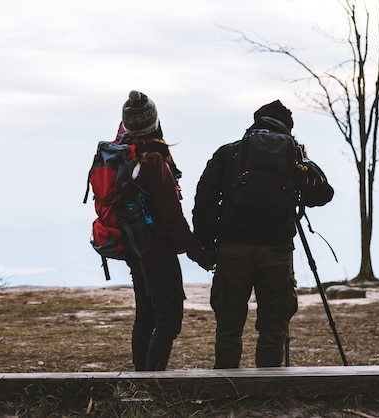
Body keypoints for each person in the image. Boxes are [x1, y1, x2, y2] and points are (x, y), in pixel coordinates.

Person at [192, 100, 334, 368]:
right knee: (273, 327)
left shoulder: (230, 153)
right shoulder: (292, 157)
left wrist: (207, 245)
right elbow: (323, 195)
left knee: (229, 326)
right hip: (277, 248)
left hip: (233, 247)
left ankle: (226, 388)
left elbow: (204, 200)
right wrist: (304, 162)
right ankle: (268, 391)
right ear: (288, 130)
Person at [116, 90, 214, 371]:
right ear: (154, 123)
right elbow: (172, 219)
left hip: (135, 250)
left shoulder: (124, 155)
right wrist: (201, 253)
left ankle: (140, 383)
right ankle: (151, 384)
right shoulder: (153, 162)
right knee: (168, 321)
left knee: (145, 316)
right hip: (157, 253)